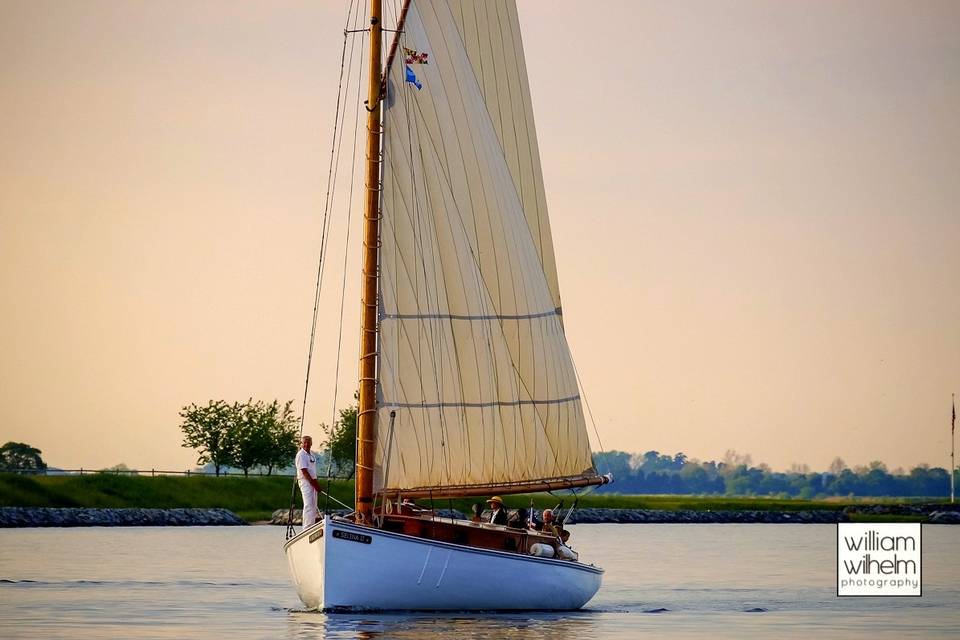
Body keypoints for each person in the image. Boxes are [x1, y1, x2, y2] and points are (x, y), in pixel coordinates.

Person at [296, 435, 321, 530]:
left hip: (313, 481)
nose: (306, 444)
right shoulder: (300, 455)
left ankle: (312, 525)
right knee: (308, 504)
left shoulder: (311, 455)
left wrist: (315, 483)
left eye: (308, 442)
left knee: (314, 504)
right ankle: (307, 527)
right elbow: (304, 471)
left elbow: (312, 470)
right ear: (301, 444)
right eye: (304, 442)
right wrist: (314, 484)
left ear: (311, 443)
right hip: (305, 481)